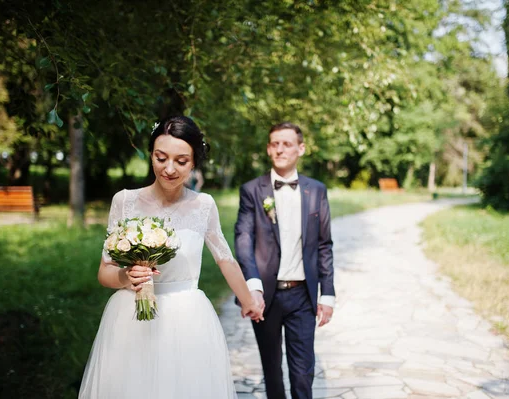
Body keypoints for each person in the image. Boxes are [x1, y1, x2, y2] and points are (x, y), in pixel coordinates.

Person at [79, 116, 264, 399]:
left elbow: (225, 259)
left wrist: (249, 302)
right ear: (151, 155)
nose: (169, 169)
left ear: (193, 163)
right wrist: (126, 277)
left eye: (181, 161)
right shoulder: (124, 201)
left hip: (187, 322)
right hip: (130, 321)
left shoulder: (203, 205)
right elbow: (105, 272)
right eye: (161, 157)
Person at [234, 122, 335, 399]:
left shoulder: (316, 190)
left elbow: (324, 244)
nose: (280, 149)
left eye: (286, 144)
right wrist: (252, 285)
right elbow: (243, 238)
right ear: (268, 149)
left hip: (303, 295)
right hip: (264, 295)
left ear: (300, 148)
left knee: (302, 371)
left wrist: (327, 294)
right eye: (274, 144)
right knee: (272, 369)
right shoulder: (252, 190)